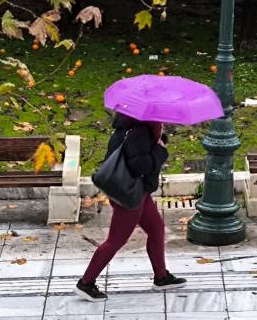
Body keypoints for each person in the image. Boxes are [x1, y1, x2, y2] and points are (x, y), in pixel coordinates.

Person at [74, 113, 187, 302]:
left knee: (156, 229)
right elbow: (138, 166)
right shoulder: (140, 132)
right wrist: (160, 151)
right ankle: (86, 283)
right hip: (129, 194)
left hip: (135, 191)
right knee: (115, 241)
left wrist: (156, 142)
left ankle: (161, 277)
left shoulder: (128, 126)